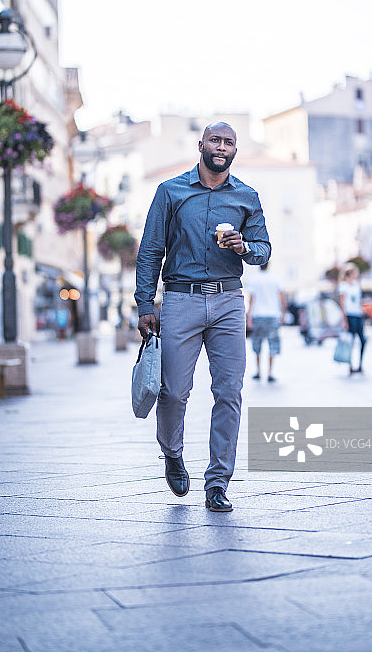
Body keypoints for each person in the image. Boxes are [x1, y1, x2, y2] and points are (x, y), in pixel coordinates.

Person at [135, 122, 271, 513]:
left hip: (229, 301)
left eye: (228, 142)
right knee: (174, 391)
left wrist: (244, 246)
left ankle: (217, 482)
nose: (221, 147)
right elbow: (149, 251)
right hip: (180, 299)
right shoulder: (171, 192)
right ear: (201, 145)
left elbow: (264, 249)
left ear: (234, 150)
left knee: (229, 392)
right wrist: (146, 304)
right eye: (215, 140)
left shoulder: (246, 196)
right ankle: (172, 452)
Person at [246, 263, 287, 382]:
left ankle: (258, 371)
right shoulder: (275, 279)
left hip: (258, 315)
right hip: (273, 315)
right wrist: (283, 313)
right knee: (272, 344)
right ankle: (270, 372)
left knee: (257, 343)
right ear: (268, 265)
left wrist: (249, 316)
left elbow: (251, 299)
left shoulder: (254, 280)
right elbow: (282, 297)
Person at [338, 263, 367, 374]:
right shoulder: (343, 286)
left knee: (362, 340)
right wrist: (344, 319)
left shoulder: (356, 285)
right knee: (351, 340)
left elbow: (358, 301)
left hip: (358, 314)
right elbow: (342, 303)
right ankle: (350, 364)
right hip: (350, 315)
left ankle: (360, 364)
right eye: (356, 272)